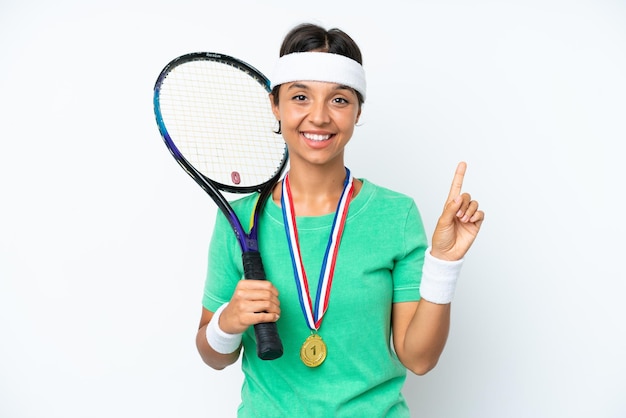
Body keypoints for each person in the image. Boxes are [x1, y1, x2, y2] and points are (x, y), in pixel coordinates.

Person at [195, 22, 484, 417]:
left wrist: (444, 265)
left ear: (358, 111)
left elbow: (419, 359)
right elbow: (213, 357)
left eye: (339, 100)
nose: (319, 117)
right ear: (275, 106)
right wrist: (228, 322)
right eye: (300, 97)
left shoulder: (395, 215)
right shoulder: (238, 219)